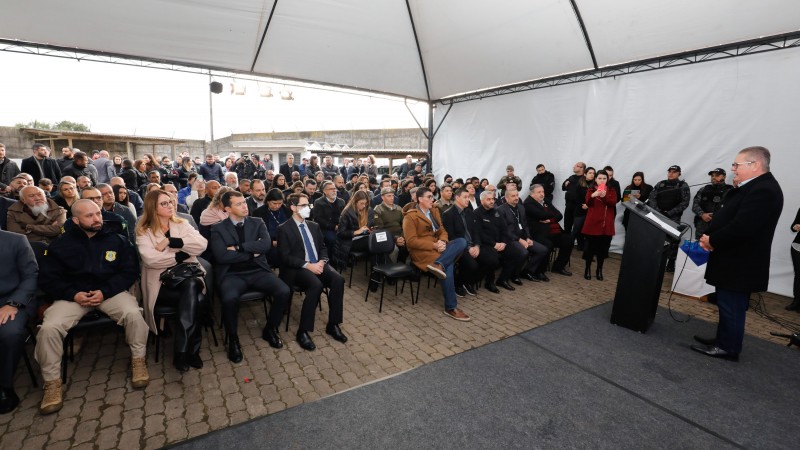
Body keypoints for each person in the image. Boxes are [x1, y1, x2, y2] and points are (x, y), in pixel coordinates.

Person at [37, 200, 149, 414]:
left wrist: (105, 291)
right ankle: (52, 383)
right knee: (49, 328)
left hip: (109, 292)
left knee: (133, 314)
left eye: (98, 213)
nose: (97, 218)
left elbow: (129, 271)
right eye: (89, 216)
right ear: (76, 220)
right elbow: (48, 279)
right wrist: (73, 294)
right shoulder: (60, 245)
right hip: (73, 297)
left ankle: (138, 359)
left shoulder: (118, 240)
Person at [693, 146, 783, 361]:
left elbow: (742, 226)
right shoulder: (752, 187)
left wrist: (712, 240)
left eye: (736, 165)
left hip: (740, 262)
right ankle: (723, 340)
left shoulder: (764, 190)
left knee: (732, 305)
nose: (733, 169)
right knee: (726, 303)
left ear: (755, 165)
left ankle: (728, 347)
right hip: (733, 258)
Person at [210, 191, 290, 362]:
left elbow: (266, 245)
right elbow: (221, 256)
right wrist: (250, 253)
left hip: (258, 271)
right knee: (229, 299)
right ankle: (233, 339)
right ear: (228, 209)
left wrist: (238, 248)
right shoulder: (218, 228)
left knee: (283, 291)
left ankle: (270, 329)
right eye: (238, 204)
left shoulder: (257, 222)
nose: (244, 206)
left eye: (244, 202)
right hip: (232, 274)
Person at [136, 190, 208, 372]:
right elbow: (150, 259)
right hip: (161, 283)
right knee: (197, 300)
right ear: (153, 208)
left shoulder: (182, 224)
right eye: (164, 203)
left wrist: (172, 243)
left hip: (186, 277)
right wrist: (181, 255)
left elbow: (202, 244)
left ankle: (182, 351)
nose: (170, 205)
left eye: (170, 202)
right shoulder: (144, 231)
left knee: (191, 286)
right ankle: (191, 350)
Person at [277, 193, 347, 351]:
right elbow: (285, 257)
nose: (308, 208)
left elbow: (322, 247)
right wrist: (308, 265)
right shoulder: (284, 229)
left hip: (318, 264)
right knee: (316, 285)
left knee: (338, 280)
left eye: (308, 205)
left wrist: (322, 261)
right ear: (293, 208)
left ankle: (333, 324)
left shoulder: (313, 226)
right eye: (303, 206)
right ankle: (303, 331)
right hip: (298, 268)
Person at [403, 187, 470, 321]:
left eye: (432, 196)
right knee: (448, 265)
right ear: (420, 199)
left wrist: (443, 242)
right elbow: (411, 242)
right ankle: (451, 307)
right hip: (423, 251)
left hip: (438, 247)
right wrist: (433, 245)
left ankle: (438, 264)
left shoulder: (434, 210)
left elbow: (442, 230)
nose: (432, 199)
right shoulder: (410, 216)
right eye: (429, 197)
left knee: (462, 241)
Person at [0, 230, 38, 414]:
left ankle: (5, 386)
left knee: (10, 332)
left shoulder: (16, 240)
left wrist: (13, 304)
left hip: (14, 300)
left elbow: (31, 275)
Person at [443, 187, 497, 296]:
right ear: (457, 198)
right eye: (465, 197)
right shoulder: (448, 214)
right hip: (459, 246)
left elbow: (476, 232)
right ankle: (458, 284)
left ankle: (469, 282)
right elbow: (451, 236)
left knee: (492, 260)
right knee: (472, 265)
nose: (468, 199)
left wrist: (476, 245)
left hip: (473, 245)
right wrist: (468, 248)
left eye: (468, 197)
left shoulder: (469, 212)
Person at [497, 188, 549, 282]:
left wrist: (528, 237)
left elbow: (525, 225)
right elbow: (505, 231)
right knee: (523, 252)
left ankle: (527, 271)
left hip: (523, 237)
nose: (516, 198)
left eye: (517, 195)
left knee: (542, 250)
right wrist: (519, 240)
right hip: (509, 239)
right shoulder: (501, 210)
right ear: (506, 198)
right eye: (513, 196)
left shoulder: (521, 207)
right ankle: (512, 276)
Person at [647, 165, 690, 272]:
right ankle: (653, 260)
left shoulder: (683, 185)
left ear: (679, 174)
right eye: (669, 171)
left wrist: (670, 213)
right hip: (658, 215)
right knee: (656, 238)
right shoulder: (661, 184)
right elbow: (652, 198)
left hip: (673, 217)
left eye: (674, 172)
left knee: (673, 240)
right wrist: (659, 211)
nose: (671, 174)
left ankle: (671, 262)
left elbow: (685, 203)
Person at [523, 184, 573, 276]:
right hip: (538, 233)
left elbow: (559, 215)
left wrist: (550, 219)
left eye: (543, 192)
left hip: (551, 231)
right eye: (539, 192)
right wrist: (550, 214)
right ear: (532, 194)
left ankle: (558, 266)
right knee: (547, 244)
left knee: (568, 240)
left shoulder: (545, 200)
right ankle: (540, 271)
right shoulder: (528, 203)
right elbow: (542, 215)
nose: (542, 194)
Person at [581, 170, 617, 281]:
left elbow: (612, 203)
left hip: (606, 225)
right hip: (593, 224)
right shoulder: (591, 189)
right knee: (590, 249)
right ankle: (587, 269)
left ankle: (599, 270)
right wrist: (593, 195)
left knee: (602, 250)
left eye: (604, 178)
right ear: (596, 179)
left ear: (608, 179)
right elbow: (588, 203)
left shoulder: (611, 190)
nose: (602, 180)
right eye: (600, 178)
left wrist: (604, 196)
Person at [334, 190, 374, 271]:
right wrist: (357, 232)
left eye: (365, 203)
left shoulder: (368, 210)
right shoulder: (347, 212)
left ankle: (376, 274)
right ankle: (377, 273)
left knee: (377, 243)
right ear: (355, 202)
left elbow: (370, 225)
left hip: (364, 237)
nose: (364, 206)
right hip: (349, 242)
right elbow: (340, 233)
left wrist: (371, 230)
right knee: (374, 242)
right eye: (361, 203)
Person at [252, 188, 291, 268]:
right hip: (269, 242)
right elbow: (256, 232)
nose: (277, 206)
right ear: (268, 201)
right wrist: (270, 242)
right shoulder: (258, 212)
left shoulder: (287, 210)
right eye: (274, 203)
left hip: (287, 241)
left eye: (280, 203)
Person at [691, 168, 733, 239]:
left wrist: (715, 216)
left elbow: (731, 208)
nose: (713, 177)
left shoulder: (730, 190)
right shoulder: (704, 189)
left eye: (717, 175)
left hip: (720, 227)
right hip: (702, 227)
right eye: (712, 176)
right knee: (700, 247)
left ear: (724, 177)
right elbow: (695, 205)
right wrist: (702, 214)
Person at [373, 186, 407, 263]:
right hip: (387, 237)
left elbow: (404, 225)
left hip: (400, 235)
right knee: (394, 250)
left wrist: (401, 237)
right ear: (382, 197)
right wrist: (395, 239)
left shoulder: (398, 208)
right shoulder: (378, 210)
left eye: (392, 196)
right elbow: (380, 229)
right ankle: (391, 269)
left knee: (411, 246)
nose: (392, 198)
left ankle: (404, 268)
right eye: (389, 196)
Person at [312, 181, 345, 255]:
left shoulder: (341, 202)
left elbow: (344, 216)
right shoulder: (319, 202)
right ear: (324, 191)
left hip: (340, 227)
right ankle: (330, 259)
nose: (334, 190)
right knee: (333, 239)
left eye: (334, 188)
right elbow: (318, 219)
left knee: (347, 237)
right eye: (331, 189)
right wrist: (334, 227)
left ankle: (342, 259)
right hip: (326, 228)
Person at [570, 166, 595, 251]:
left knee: (586, 231)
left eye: (593, 173)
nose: (592, 175)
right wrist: (583, 205)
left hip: (589, 211)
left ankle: (583, 248)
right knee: (576, 230)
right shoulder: (579, 184)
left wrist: (588, 205)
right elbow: (575, 197)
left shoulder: (594, 185)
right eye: (590, 173)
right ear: (585, 174)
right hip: (579, 211)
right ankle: (568, 247)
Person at [561, 161, 586, 237]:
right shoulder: (571, 177)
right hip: (569, 205)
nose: (574, 167)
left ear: (582, 168)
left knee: (578, 228)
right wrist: (565, 184)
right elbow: (563, 188)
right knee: (567, 225)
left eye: (576, 166)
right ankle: (566, 244)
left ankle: (580, 246)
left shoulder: (584, 178)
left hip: (579, 207)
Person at [788, 207, 800, 311]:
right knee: (798, 274)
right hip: (798, 246)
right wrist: (795, 226)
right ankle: (796, 302)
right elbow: (793, 227)